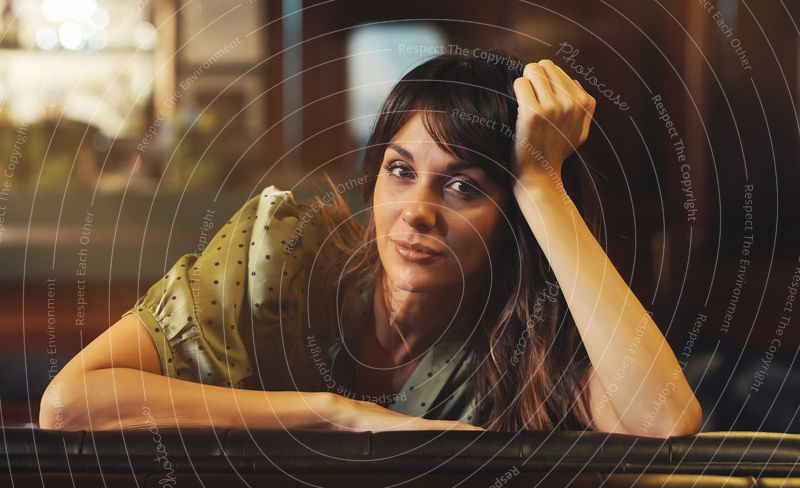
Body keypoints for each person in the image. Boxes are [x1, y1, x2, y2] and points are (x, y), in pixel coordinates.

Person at [39, 49, 702, 437]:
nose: (417, 212)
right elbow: (67, 404)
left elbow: (666, 420)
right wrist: (336, 413)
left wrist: (540, 182)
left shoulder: (518, 340)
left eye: (464, 188)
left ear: (511, 216)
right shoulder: (278, 253)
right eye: (400, 170)